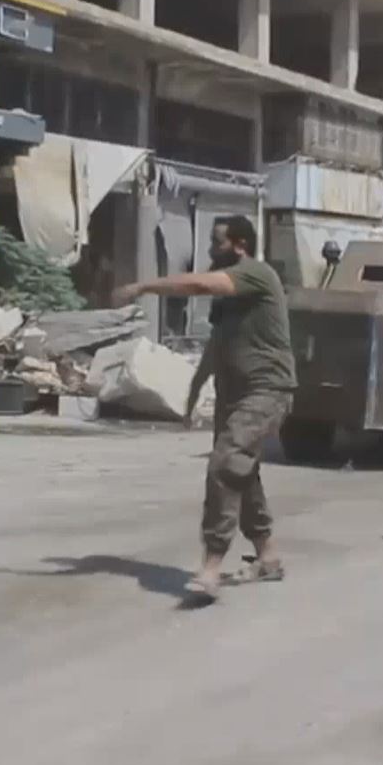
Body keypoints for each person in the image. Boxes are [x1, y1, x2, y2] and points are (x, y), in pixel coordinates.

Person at [119, 215, 297, 603]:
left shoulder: (256, 274)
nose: (211, 250)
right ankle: (267, 556)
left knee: (226, 463)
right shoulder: (228, 297)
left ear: (240, 245)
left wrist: (144, 286)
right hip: (233, 394)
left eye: (217, 242)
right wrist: (194, 391)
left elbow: (199, 284)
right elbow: (218, 345)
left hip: (266, 390)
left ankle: (211, 565)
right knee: (242, 473)